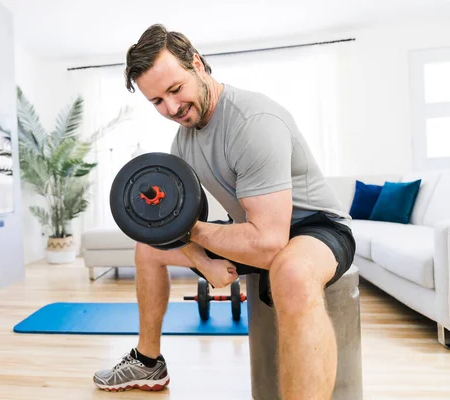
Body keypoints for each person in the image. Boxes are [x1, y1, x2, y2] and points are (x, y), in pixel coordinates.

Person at [93, 24, 356, 399]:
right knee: (147, 248)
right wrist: (203, 261)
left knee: (293, 272)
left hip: (314, 229)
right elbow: (171, 227)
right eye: (156, 101)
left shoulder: (252, 122)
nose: (171, 108)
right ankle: (149, 362)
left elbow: (267, 243)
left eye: (174, 90)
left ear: (197, 65)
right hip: (256, 228)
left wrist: (194, 238)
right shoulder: (184, 141)